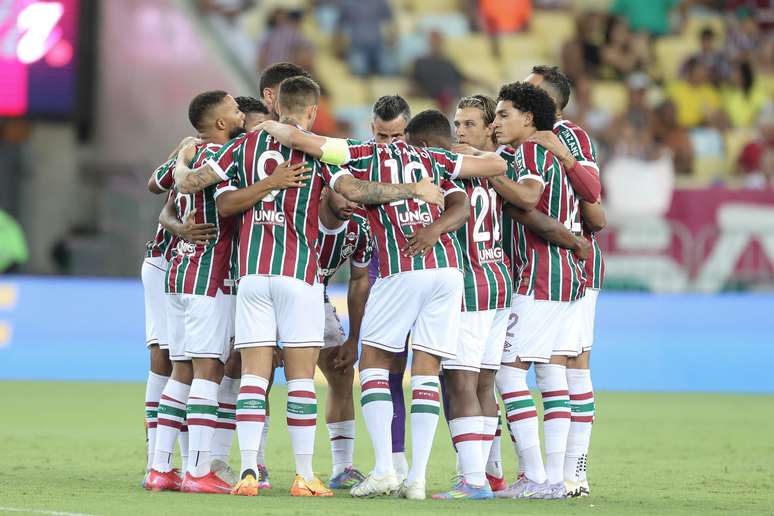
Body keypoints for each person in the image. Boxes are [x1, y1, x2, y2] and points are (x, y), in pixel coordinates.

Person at [175, 76, 446, 497]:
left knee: (253, 375)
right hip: (300, 274)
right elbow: (357, 190)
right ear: (312, 112)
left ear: (277, 105)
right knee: (301, 378)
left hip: (250, 274)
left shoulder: (241, 146)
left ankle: (249, 471)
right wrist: (413, 189)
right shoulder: (316, 150)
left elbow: (209, 195)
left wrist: (182, 161)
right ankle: (304, 474)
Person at [255, 105, 509, 500]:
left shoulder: (359, 152)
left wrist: (271, 123)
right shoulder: (433, 158)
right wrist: (461, 157)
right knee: (426, 370)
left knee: (373, 365)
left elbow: (313, 153)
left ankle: (385, 470)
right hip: (448, 272)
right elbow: (495, 166)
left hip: (401, 267)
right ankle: (418, 481)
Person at [452, 94, 590, 495]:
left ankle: (535, 476)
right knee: (550, 374)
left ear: (527, 118)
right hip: (562, 276)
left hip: (539, 275)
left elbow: (528, 200)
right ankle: (556, 479)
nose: (497, 122)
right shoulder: (540, 151)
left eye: (503, 115)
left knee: (509, 372)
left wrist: (488, 169)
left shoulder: (528, 152)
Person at [407, 100, 511, 501]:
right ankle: (487, 472)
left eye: (469, 124)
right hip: (498, 281)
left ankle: (473, 481)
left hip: (469, 284)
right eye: (458, 124)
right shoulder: (489, 168)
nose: (462, 131)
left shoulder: (449, 169)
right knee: (484, 382)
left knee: (461, 383)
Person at [525, 66, 608, 497]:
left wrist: (565, 155)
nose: (522, 91)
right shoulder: (525, 138)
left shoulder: (568, 135)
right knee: (555, 362)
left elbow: (594, 201)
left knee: (569, 361)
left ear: (550, 102)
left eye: (530, 88)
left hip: (573, 262)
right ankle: (562, 477)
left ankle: (571, 473)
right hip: (550, 261)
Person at [315, 189, 373, 489]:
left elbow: (359, 278)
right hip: (276, 294)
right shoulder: (302, 213)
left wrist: (353, 338)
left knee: (341, 373)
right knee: (260, 374)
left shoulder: (359, 228)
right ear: (325, 190)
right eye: (345, 195)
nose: (353, 203)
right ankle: (255, 465)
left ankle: (342, 468)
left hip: (316, 296)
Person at [369, 94, 413, 481]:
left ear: (408, 132)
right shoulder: (361, 157)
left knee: (452, 377)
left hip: (424, 273)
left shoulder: (424, 163)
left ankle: (482, 470)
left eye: (395, 136)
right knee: (390, 371)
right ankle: (395, 461)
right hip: (381, 273)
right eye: (381, 135)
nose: (387, 143)